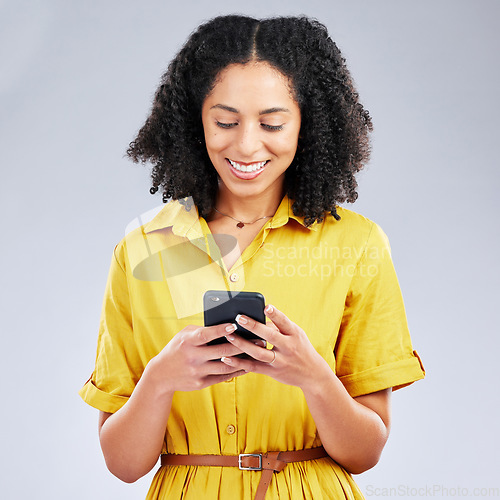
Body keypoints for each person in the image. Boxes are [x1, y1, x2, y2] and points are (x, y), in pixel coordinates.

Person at [79, 14, 425, 500]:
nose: (245, 144)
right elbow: (123, 464)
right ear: (193, 119)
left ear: (309, 122)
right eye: (224, 121)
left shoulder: (357, 245)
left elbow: (365, 453)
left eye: (272, 123)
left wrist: (312, 376)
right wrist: (159, 380)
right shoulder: (142, 248)